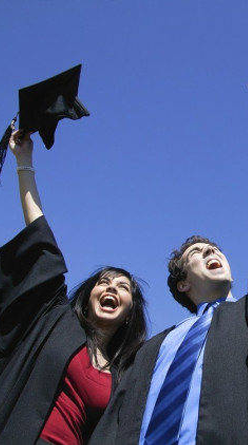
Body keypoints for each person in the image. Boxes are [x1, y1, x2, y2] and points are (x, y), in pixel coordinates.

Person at [90, 123, 248, 444]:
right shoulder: (154, 348)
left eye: (215, 249)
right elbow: (117, 420)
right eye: (197, 252)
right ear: (182, 284)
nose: (211, 251)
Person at [0, 128, 148, 445]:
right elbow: (41, 239)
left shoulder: (124, 373)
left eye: (123, 287)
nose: (111, 288)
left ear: (129, 313)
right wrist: (24, 162)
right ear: (89, 294)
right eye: (104, 282)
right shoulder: (57, 322)